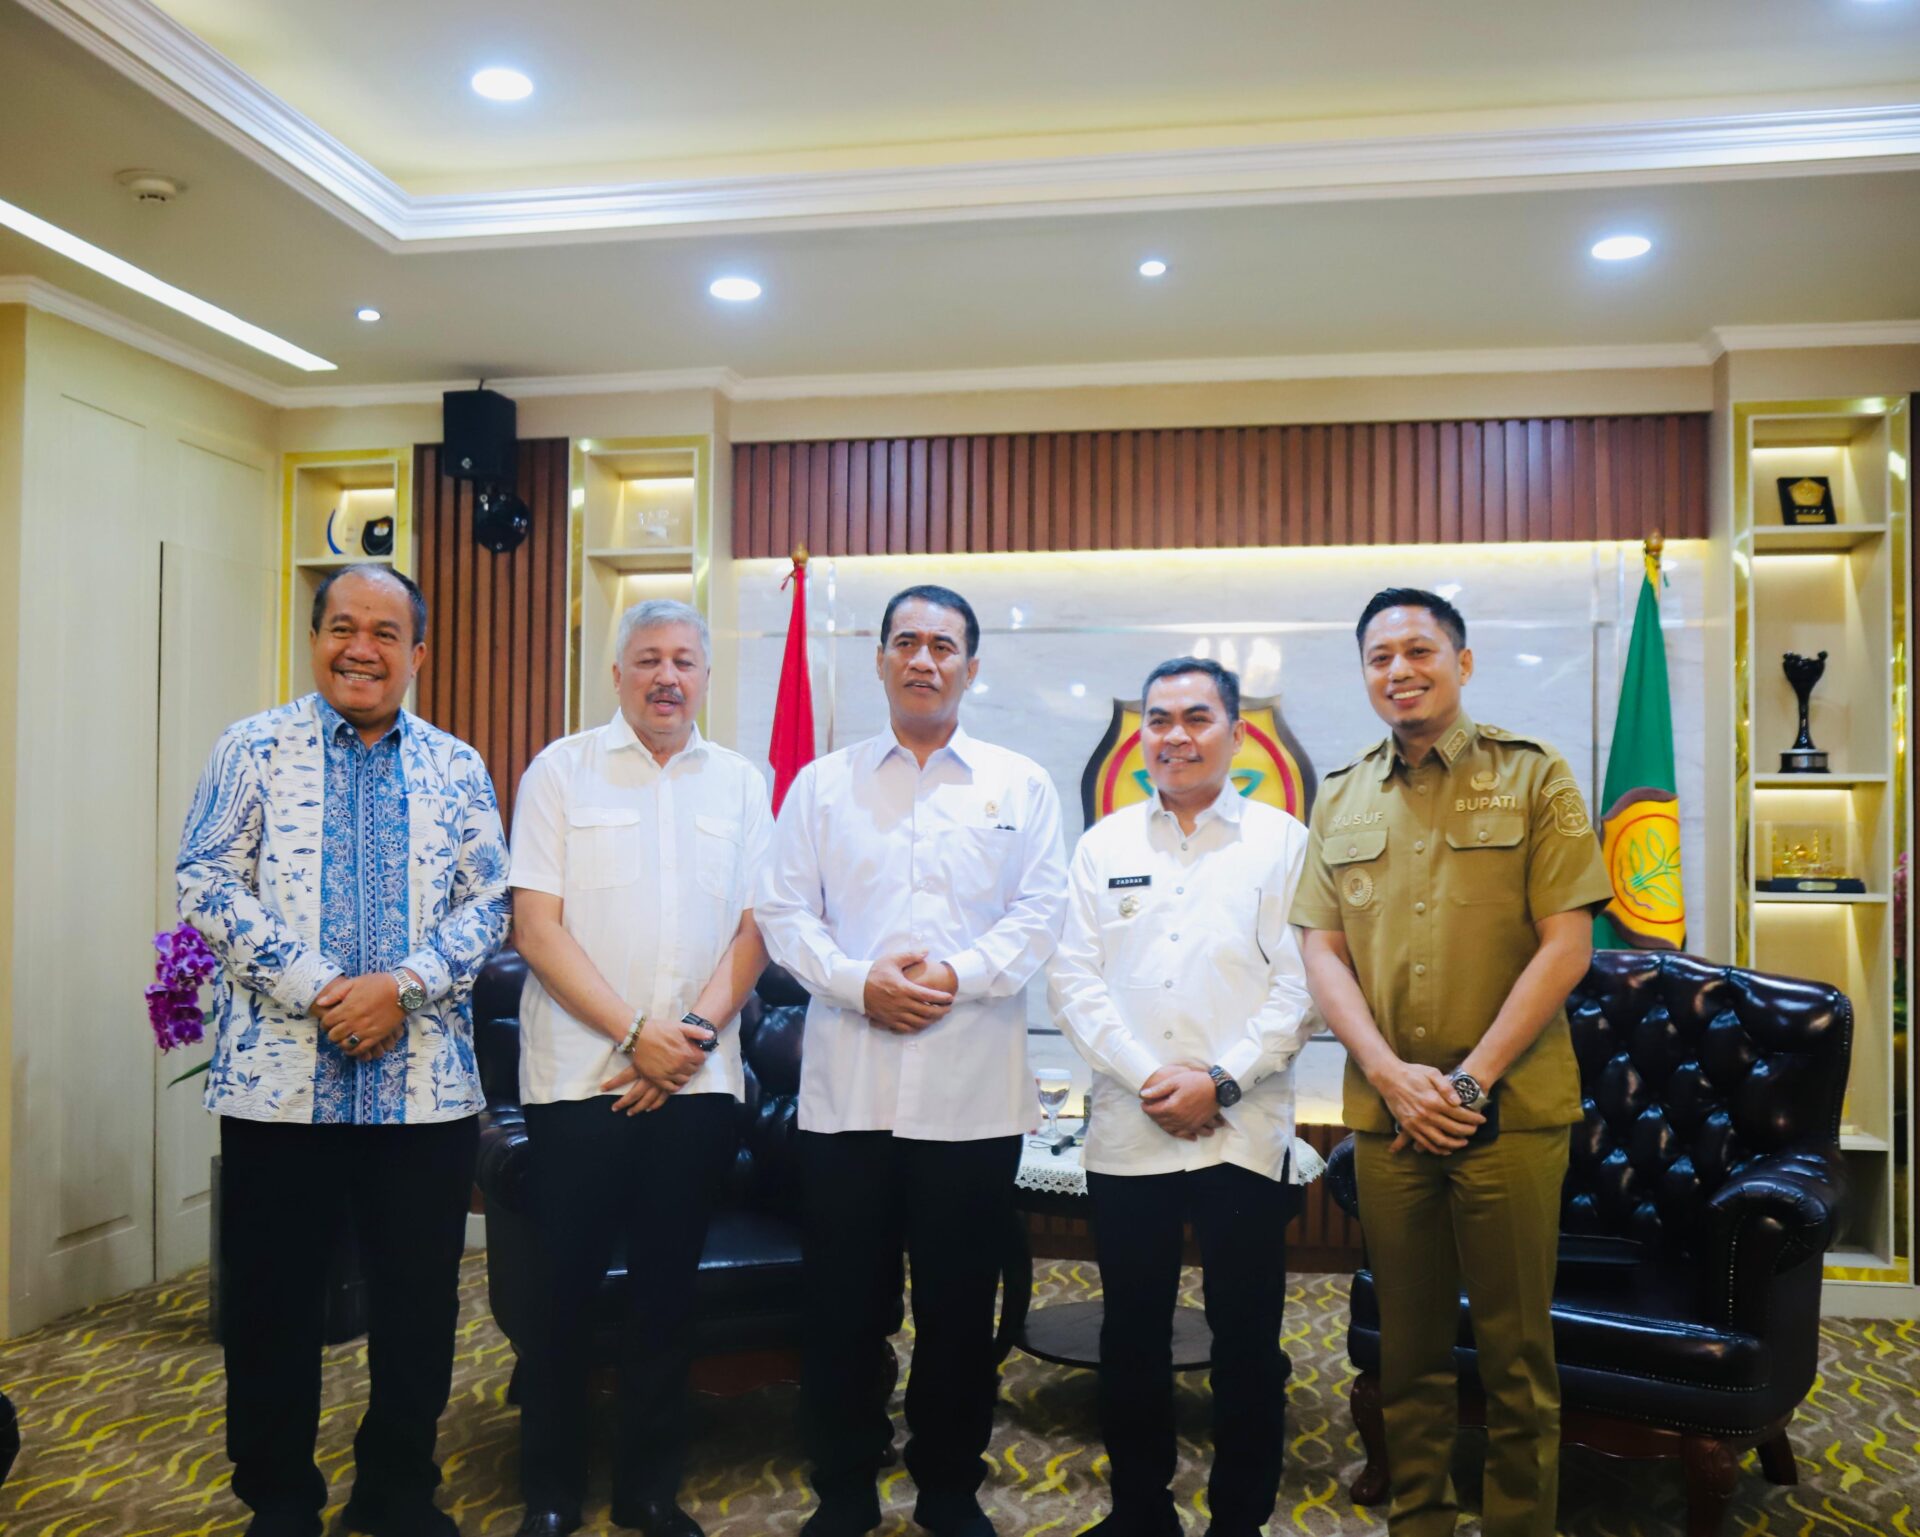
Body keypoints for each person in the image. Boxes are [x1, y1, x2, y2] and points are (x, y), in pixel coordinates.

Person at [178, 563, 510, 1537]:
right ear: (316, 637)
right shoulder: (251, 749)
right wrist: (323, 987)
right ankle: (279, 1496)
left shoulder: (458, 766)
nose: (360, 648)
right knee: (272, 1304)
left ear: (418, 653)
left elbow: (492, 902)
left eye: (384, 632)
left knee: (418, 1306)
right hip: (279, 1088)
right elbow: (204, 880)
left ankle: (397, 1487)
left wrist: (400, 986)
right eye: (342, 627)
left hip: (423, 1092)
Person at [1290, 588, 1610, 1537]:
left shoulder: (1534, 774)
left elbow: (1568, 945)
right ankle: (1420, 1519)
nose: (1400, 669)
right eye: (1379, 656)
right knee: (1408, 1349)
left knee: (1516, 1356)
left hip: (1508, 1113)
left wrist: (1469, 1081)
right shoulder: (1341, 792)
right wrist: (1392, 1076)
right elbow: (1321, 951)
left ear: (1462, 663)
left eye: (1420, 650)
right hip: (1388, 1116)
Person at [756, 584, 1068, 1537]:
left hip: (971, 1098)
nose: (923, 659)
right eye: (906, 641)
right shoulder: (822, 785)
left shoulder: (1020, 784)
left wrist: (951, 975)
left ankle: (947, 1486)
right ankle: (844, 1485)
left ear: (971, 666)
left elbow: (1042, 914)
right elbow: (782, 912)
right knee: (844, 1307)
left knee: (957, 1308)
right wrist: (860, 982)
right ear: (881, 659)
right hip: (848, 1094)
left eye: (943, 644)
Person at [506, 599, 772, 1537]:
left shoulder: (742, 783)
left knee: (668, 1293)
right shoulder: (560, 771)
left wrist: (683, 1039)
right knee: (563, 1293)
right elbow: (535, 927)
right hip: (580, 1081)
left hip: (697, 1084)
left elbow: (757, 929)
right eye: (649, 658)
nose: (667, 676)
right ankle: (550, 1490)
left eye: (685, 660)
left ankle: (649, 1489)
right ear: (617, 674)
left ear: (705, 677)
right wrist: (634, 1035)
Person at [1048, 657, 1314, 1537]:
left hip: (1244, 1127)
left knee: (1247, 1338)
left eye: (1197, 717)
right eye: (1158, 719)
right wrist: (1151, 1079)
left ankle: (1239, 1519)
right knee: (1132, 1333)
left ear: (1237, 732)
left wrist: (1220, 1080)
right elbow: (1073, 981)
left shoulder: (1282, 841)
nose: (1176, 735)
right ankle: (1139, 1512)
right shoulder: (1104, 845)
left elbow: (1303, 985)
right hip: (1132, 1128)